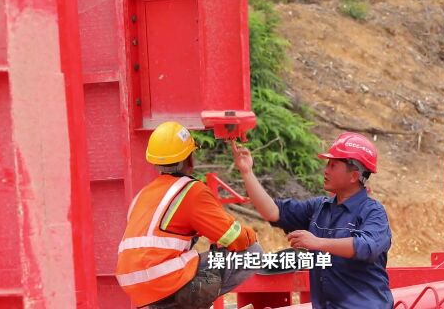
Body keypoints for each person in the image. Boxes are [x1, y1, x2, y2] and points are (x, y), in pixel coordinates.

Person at [230, 132, 393, 308]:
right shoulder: (319, 207)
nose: (326, 170)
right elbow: (273, 212)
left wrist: (318, 243)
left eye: (333, 165)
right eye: (327, 164)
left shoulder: (373, 211)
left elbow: (366, 247)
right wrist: (247, 172)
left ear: (353, 176)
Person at [116, 121, 262, 308]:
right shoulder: (191, 191)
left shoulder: (143, 195)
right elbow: (235, 237)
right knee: (252, 253)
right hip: (165, 278)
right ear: (189, 159)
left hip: (136, 286)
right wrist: (251, 234)